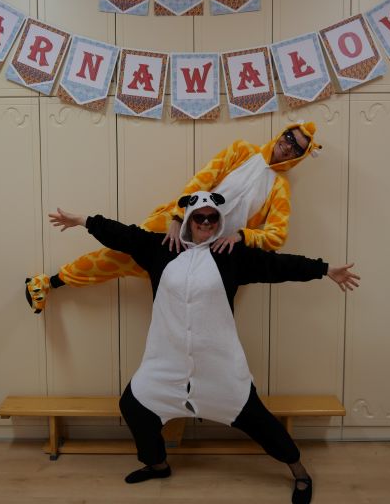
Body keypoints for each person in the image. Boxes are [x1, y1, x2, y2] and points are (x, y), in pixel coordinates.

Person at [48, 190, 360, 504]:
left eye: (212, 218)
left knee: (258, 420)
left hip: (219, 367)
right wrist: (82, 220)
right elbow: (122, 235)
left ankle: (300, 472)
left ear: (219, 221)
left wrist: (324, 269)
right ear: (188, 220)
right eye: (200, 217)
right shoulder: (162, 248)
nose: (206, 222)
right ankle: (157, 464)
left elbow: (278, 265)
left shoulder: (230, 255)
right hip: (166, 364)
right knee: (134, 405)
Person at [26, 122, 323, 312]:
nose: (288, 145)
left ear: (299, 156)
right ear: (281, 133)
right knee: (115, 257)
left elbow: (276, 236)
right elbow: (201, 181)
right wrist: (178, 218)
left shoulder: (280, 188)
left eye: (297, 146)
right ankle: (49, 282)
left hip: (213, 257)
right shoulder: (241, 150)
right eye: (289, 136)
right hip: (174, 230)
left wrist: (242, 236)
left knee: (195, 312)